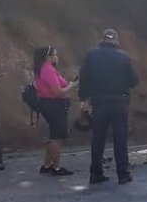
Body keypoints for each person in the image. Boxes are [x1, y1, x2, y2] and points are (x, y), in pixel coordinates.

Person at [80, 29, 139, 185]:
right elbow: (133, 81)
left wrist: (83, 99)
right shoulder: (123, 57)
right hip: (119, 102)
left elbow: (83, 78)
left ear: (102, 39)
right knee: (120, 139)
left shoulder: (91, 55)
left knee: (98, 139)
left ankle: (95, 173)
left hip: (99, 102)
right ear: (116, 41)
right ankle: (123, 174)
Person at [34, 46, 77, 176]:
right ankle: (56, 167)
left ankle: (47, 165)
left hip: (49, 104)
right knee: (56, 138)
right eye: (55, 55)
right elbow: (58, 92)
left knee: (53, 136)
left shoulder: (44, 69)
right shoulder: (48, 70)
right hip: (54, 105)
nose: (57, 57)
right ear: (48, 57)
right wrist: (72, 85)